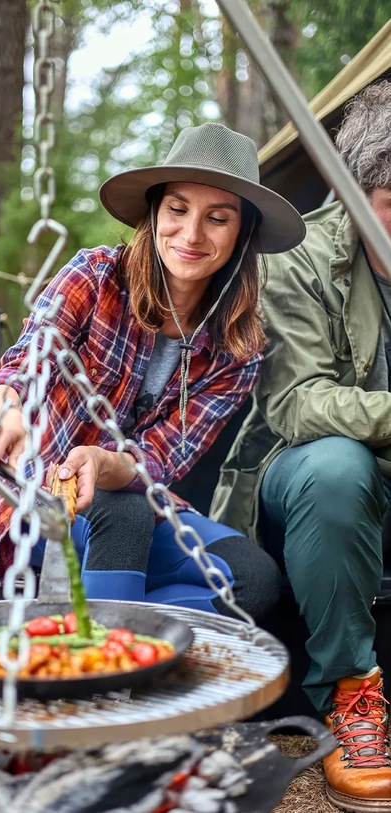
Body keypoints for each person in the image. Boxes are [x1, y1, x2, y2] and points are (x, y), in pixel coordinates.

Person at [0, 121, 305, 622]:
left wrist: (104, 462)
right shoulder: (95, 277)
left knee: (252, 579)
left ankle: (82, 624)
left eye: (217, 218)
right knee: (125, 516)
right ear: (155, 212)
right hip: (38, 490)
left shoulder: (239, 349)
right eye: (177, 210)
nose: (191, 234)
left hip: (130, 497)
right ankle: (102, 655)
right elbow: (21, 367)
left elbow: (157, 460)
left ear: (242, 232)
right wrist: (5, 417)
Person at [211, 80, 391, 810]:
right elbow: (297, 403)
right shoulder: (298, 257)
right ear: (355, 192)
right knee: (336, 467)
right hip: (302, 480)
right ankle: (351, 695)